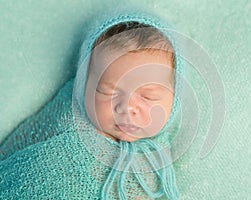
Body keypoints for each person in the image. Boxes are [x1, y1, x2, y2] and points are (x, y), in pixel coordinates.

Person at [0, 12, 182, 199]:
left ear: (175, 99)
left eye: (148, 96)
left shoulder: (157, 156)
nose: (126, 108)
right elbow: (22, 150)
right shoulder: (68, 122)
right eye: (108, 92)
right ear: (82, 86)